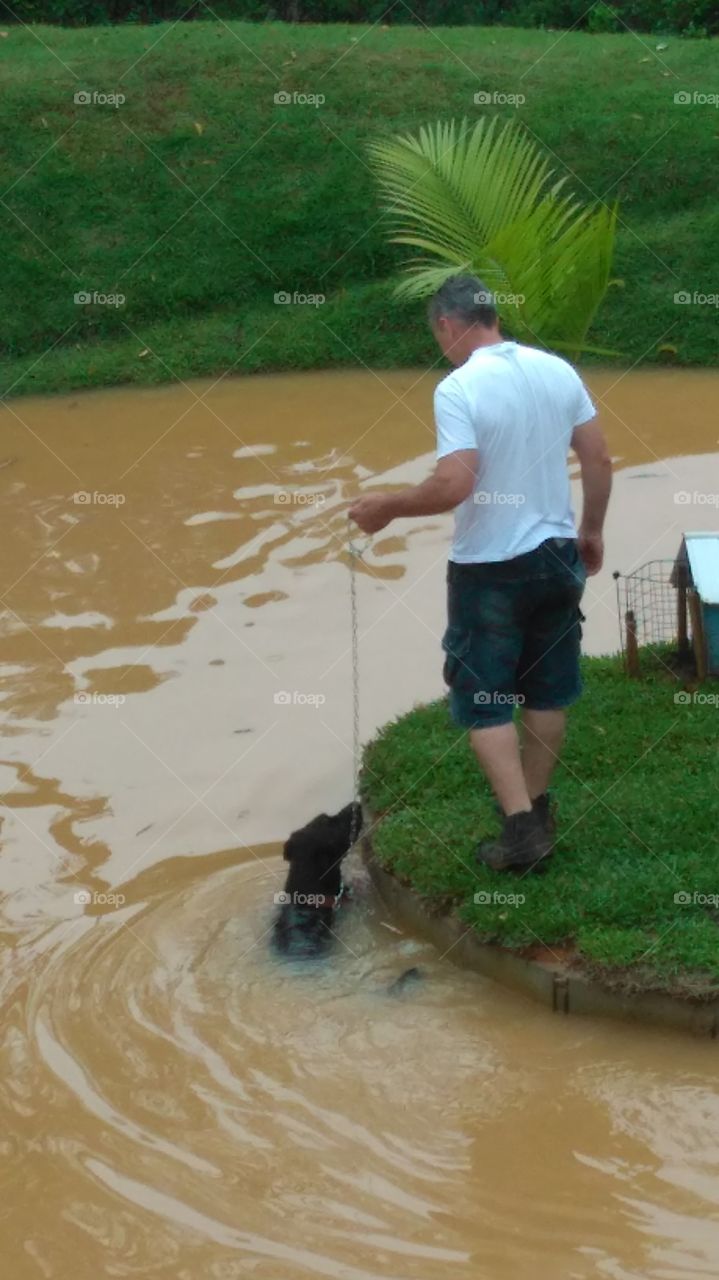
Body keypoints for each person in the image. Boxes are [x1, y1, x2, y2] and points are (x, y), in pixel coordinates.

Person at [349, 273, 612, 872]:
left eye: (436, 333)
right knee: (547, 689)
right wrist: (591, 530)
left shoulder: (459, 387)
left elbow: (454, 484)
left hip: (492, 569)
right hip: (556, 555)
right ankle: (537, 809)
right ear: (492, 316)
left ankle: (520, 833)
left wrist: (385, 507)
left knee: (486, 698)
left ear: (447, 325)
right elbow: (598, 456)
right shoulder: (557, 370)